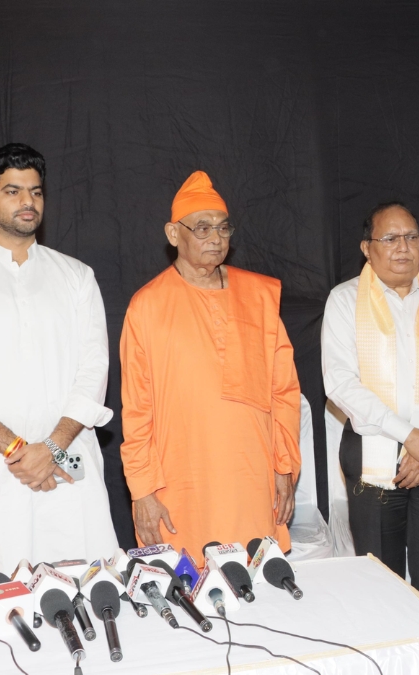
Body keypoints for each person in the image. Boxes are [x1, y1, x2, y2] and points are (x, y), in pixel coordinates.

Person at [0, 144, 118, 572]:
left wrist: (51, 448)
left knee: (88, 586)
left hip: (68, 469)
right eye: (12, 191)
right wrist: (19, 451)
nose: (28, 201)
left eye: (36, 192)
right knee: (0, 598)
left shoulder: (77, 276)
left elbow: (94, 371)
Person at [120, 171, 300, 561]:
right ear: (173, 234)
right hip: (182, 486)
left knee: (255, 579)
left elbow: (284, 390)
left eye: (223, 228)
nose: (216, 238)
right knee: (190, 583)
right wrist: (143, 490)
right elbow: (136, 410)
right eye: (202, 228)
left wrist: (283, 467)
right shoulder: (147, 306)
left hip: (252, 481)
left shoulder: (259, 295)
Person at [322, 201, 419, 614]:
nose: (403, 247)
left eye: (412, 237)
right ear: (366, 247)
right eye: (390, 238)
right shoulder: (344, 300)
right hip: (375, 451)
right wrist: (410, 437)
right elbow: (341, 383)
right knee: (380, 580)